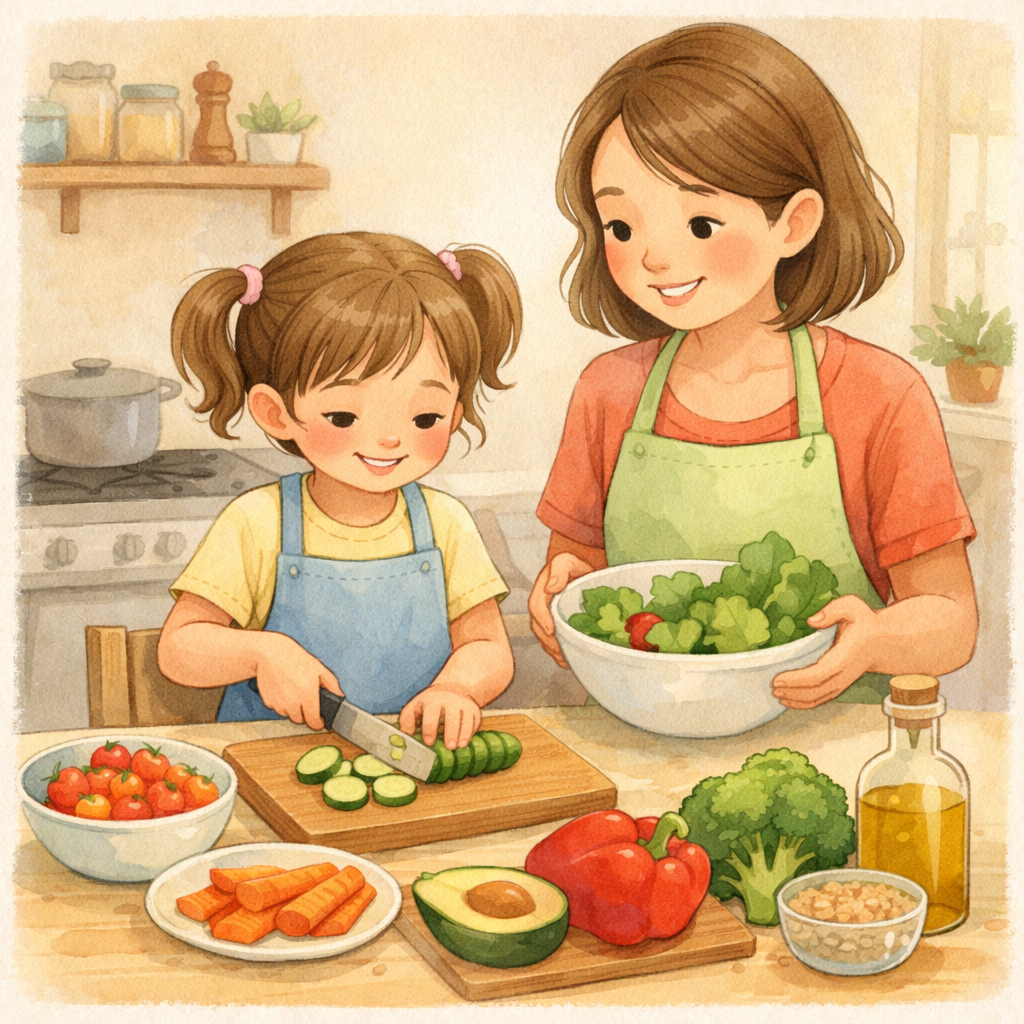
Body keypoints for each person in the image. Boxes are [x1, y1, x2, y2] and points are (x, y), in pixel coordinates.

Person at [529, 23, 978, 708]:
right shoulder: (607, 392)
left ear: (794, 223)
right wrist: (558, 589)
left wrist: (874, 642)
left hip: (832, 742)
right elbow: (579, 571)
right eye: (622, 226)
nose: (653, 257)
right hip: (643, 738)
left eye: (700, 223)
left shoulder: (881, 395)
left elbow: (951, 620)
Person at [158, 232, 521, 748]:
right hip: (269, 763)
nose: (390, 438)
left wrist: (459, 688)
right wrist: (264, 653)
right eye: (344, 414)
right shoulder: (257, 521)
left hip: (409, 761)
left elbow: (487, 644)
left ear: (455, 412)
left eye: (425, 416)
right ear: (276, 412)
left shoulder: (446, 523)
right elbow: (178, 649)